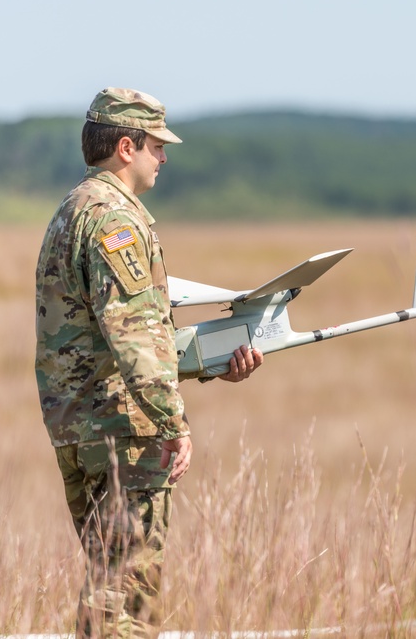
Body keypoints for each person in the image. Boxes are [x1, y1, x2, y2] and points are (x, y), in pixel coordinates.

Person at [35, 87, 263, 638]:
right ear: (125, 147)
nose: (164, 157)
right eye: (156, 145)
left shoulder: (72, 210)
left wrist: (206, 363)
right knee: (126, 602)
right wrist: (172, 422)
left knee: (105, 585)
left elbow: (98, 338)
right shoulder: (118, 221)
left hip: (78, 430)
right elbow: (134, 337)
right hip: (123, 433)